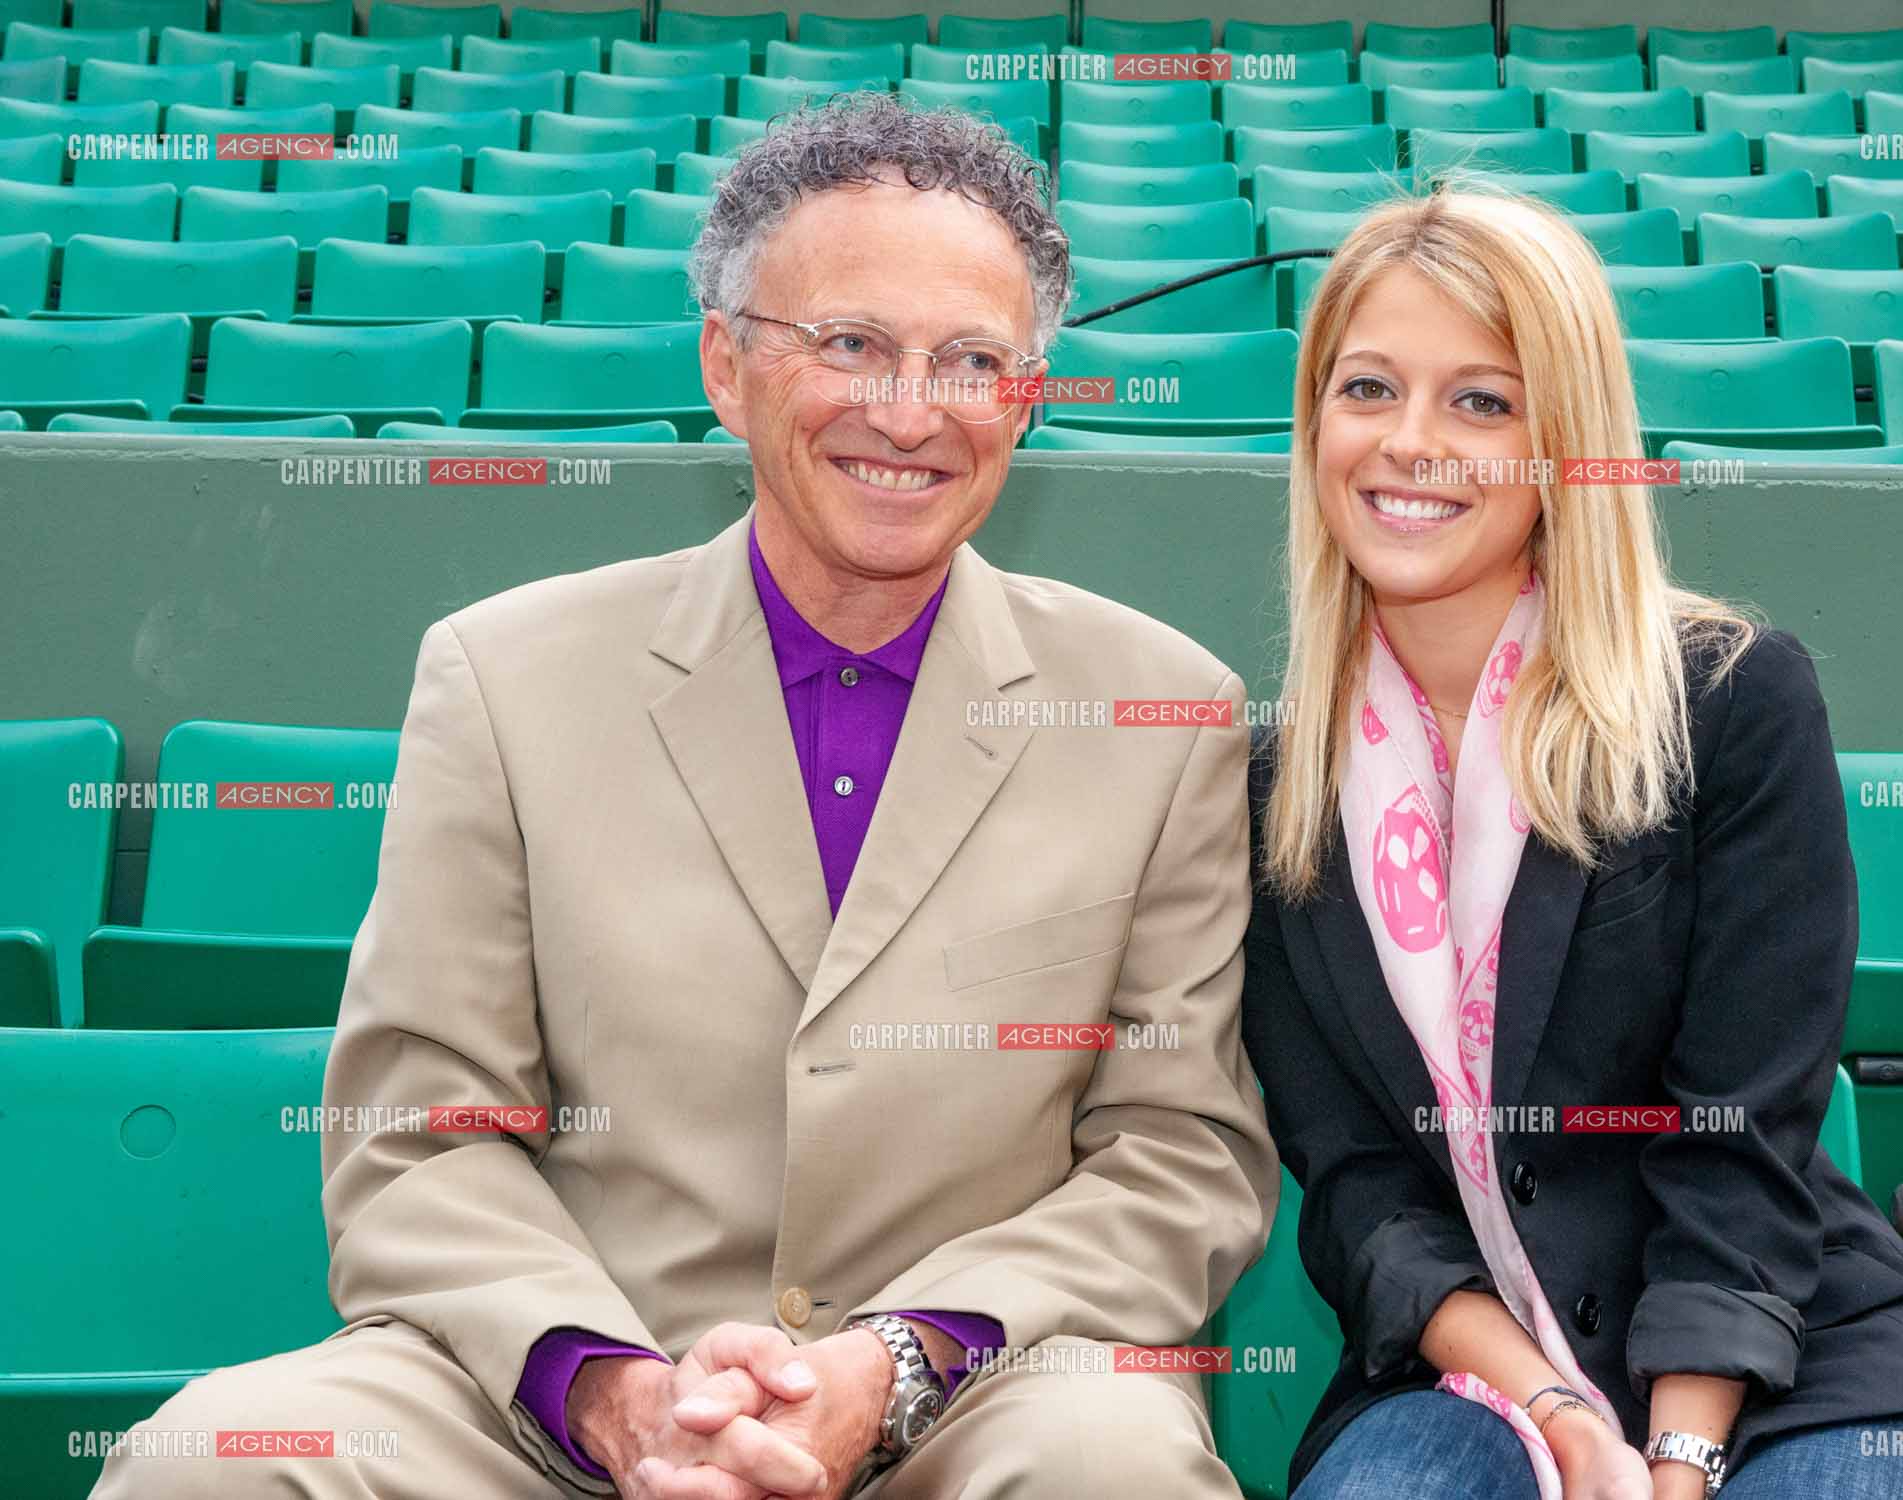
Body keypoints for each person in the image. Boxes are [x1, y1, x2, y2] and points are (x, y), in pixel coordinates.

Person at [95, 93, 1275, 1500]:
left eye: (972, 361)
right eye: (850, 344)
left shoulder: (1162, 709)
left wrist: (890, 1365)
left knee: (1113, 1464)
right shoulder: (504, 673)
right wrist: (613, 1391)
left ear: (1023, 399)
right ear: (728, 364)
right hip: (559, 1402)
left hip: (970, 1397)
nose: (910, 412)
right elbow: (420, 1135)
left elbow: (1176, 1157)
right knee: (206, 1462)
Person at [1239, 184, 1903, 1500]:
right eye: (1369, 388)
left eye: (1482, 401)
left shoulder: (1730, 700)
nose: (1410, 443)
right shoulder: (1278, 787)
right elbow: (1361, 1189)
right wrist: (1554, 1405)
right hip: (1471, 1370)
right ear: (1317, 423)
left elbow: (1740, 1132)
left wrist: (1678, 1455)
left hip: (1788, 1360)